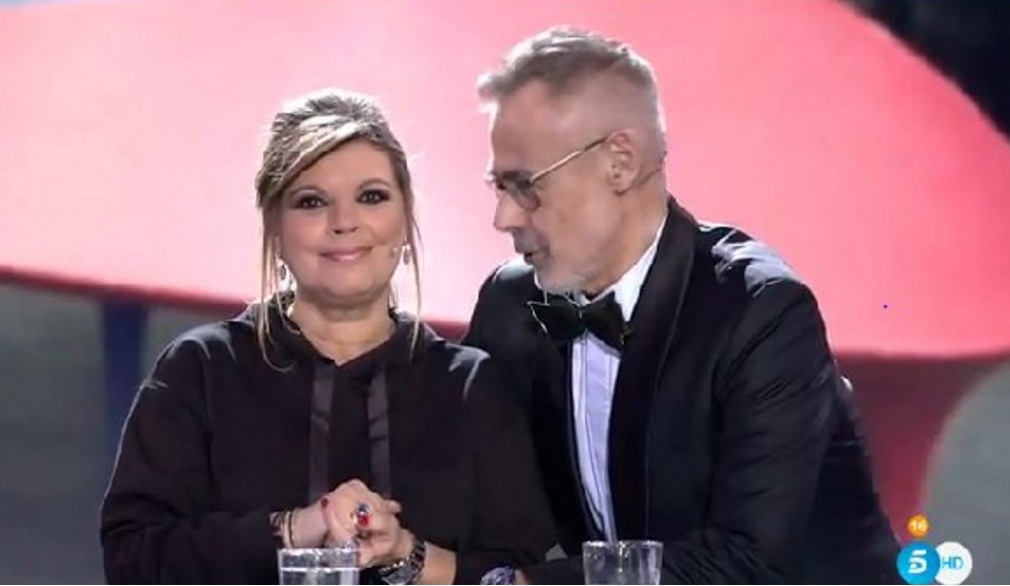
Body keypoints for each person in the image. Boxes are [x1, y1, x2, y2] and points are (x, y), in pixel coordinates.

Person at [463, 28, 902, 584]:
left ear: (620, 162)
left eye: (525, 186)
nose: (503, 217)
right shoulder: (513, 304)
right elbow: (466, 485)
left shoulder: (760, 313)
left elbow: (747, 561)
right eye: (498, 188)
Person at [100, 88, 556, 584]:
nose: (344, 223)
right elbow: (133, 560)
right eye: (312, 202)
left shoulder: (471, 386)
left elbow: (521, 573)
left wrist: (405, 554)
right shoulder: (202, 369)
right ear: (274, 227)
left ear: (406, 220)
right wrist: (298, 528)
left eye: (371, 197)